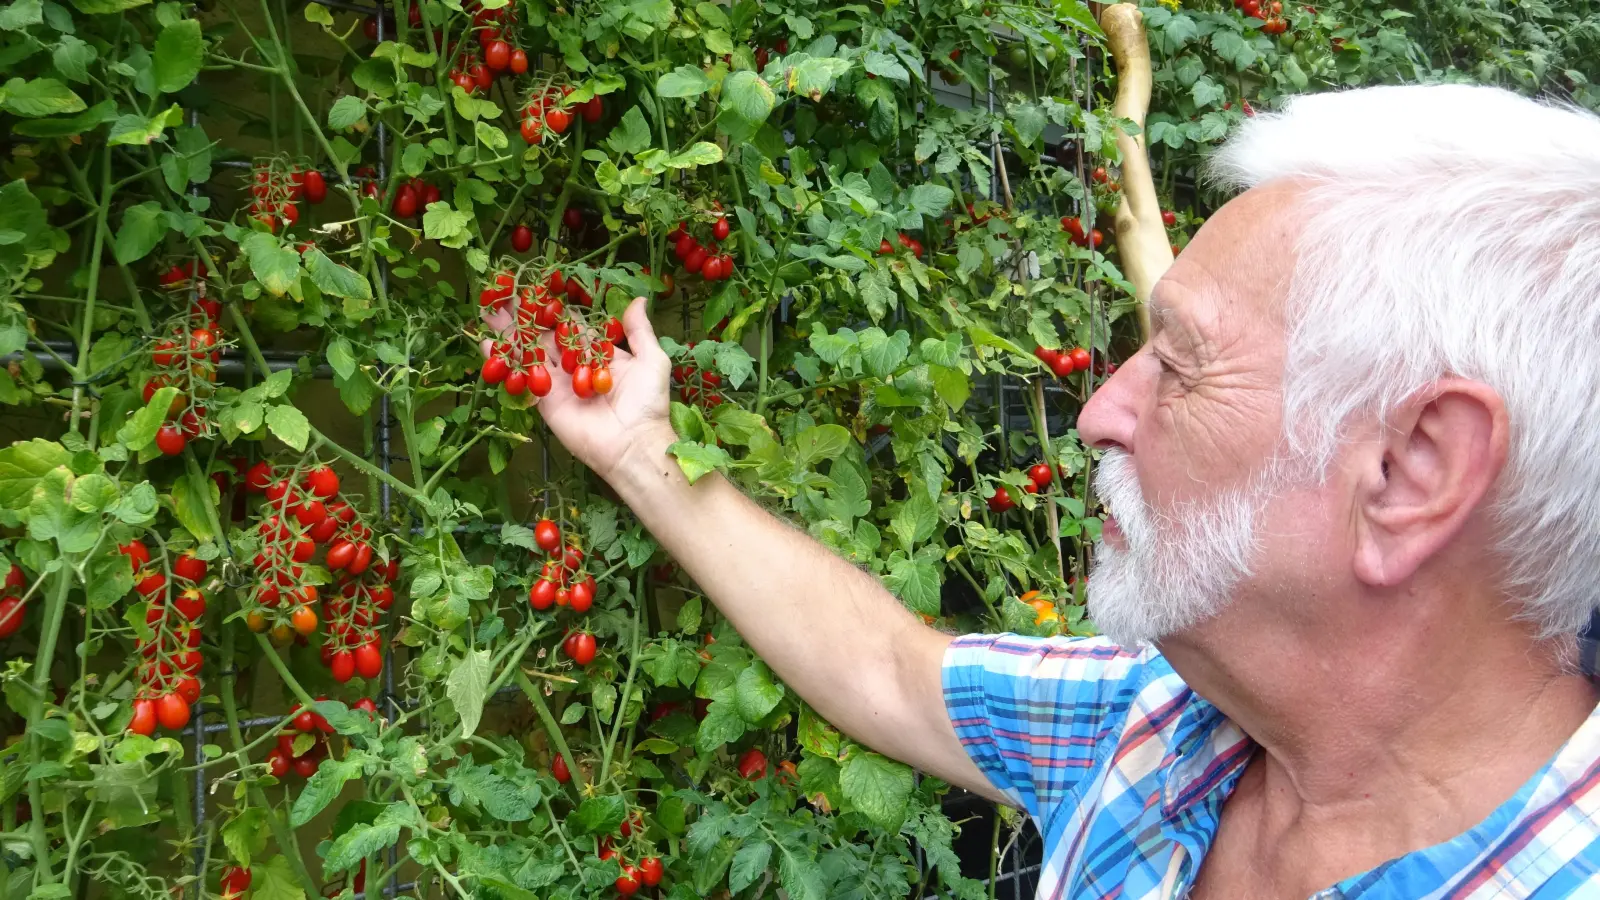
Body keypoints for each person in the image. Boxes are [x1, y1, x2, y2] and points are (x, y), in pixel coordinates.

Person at [526, 83, 1600, 897]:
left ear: (1413, 473)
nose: (1098, 413)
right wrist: (640, 453)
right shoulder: (1161, 730)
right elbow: (891, 669)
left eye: (1179, 364)